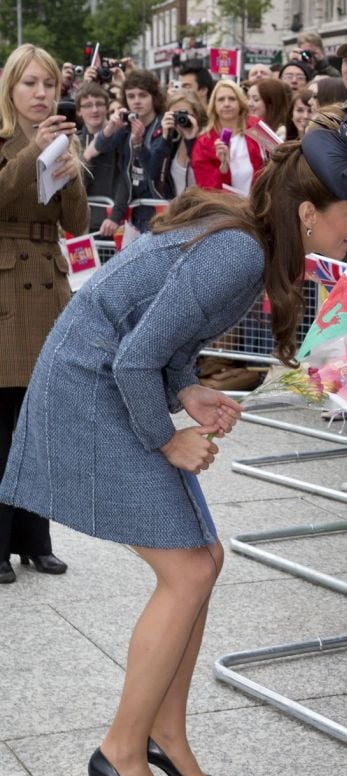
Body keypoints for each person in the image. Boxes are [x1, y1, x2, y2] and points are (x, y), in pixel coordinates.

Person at [0, 117, 347, 776]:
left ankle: (164, 736)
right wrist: (168, 437)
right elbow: (133, 355)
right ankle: (120, 747)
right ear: (307, 212)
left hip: (108, 377)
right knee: (190, 568)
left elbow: (157, 334)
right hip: (90, 387)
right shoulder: (238, 253)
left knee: (203, 556)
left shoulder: (248, 239)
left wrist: (188, 391)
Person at [0, 44, 90, 585]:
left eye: (49, 85)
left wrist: (71, 167)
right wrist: (32, 154)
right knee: (2, 428)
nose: (41, 94)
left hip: (48, 284)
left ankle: (36, 540)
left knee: (40, 426)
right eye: (31, 84)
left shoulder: (60, 140)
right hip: (6, 286)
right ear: (11, 88)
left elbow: (76, 220)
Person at [92, 69, 165, 233]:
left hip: (161, 210)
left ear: (154, 97)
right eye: (131, 96)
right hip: (135, 212)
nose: (136, 101)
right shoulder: (126, 126)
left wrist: (138, 145)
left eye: (143, 95)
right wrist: (110, 127)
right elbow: (100, 148)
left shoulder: (163, 126)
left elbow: (154, 170)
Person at [75, 81, 129, 236]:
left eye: (99, 104)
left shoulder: (121, 136)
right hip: (83, 225)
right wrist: (87, 156)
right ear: (79, 111)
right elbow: (75, 185)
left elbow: (125, 179)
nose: (94, 110)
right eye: (88, 105)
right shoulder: (74, 142)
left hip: (114, 224)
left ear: (106, 107)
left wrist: (115, 216)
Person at [192, 80, 263, 195]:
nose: (226, 104)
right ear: (214, 105)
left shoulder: (256, 126)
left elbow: (275, 160)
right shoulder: (203, 143)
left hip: (260, 205)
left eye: (232, 99)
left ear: (240, 102)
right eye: (221, 99)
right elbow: (207, 190)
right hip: (227, 209)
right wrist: (223, 168)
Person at [148, 91, 206, 199]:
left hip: (200, 209)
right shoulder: (172, 142)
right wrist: (165, 138)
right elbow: (153, 173)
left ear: (197, 115)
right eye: (176, 115)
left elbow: (204, 175)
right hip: (176, 210)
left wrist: (191, 140)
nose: (181, 119)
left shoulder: (206, 141)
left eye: (185, 114)